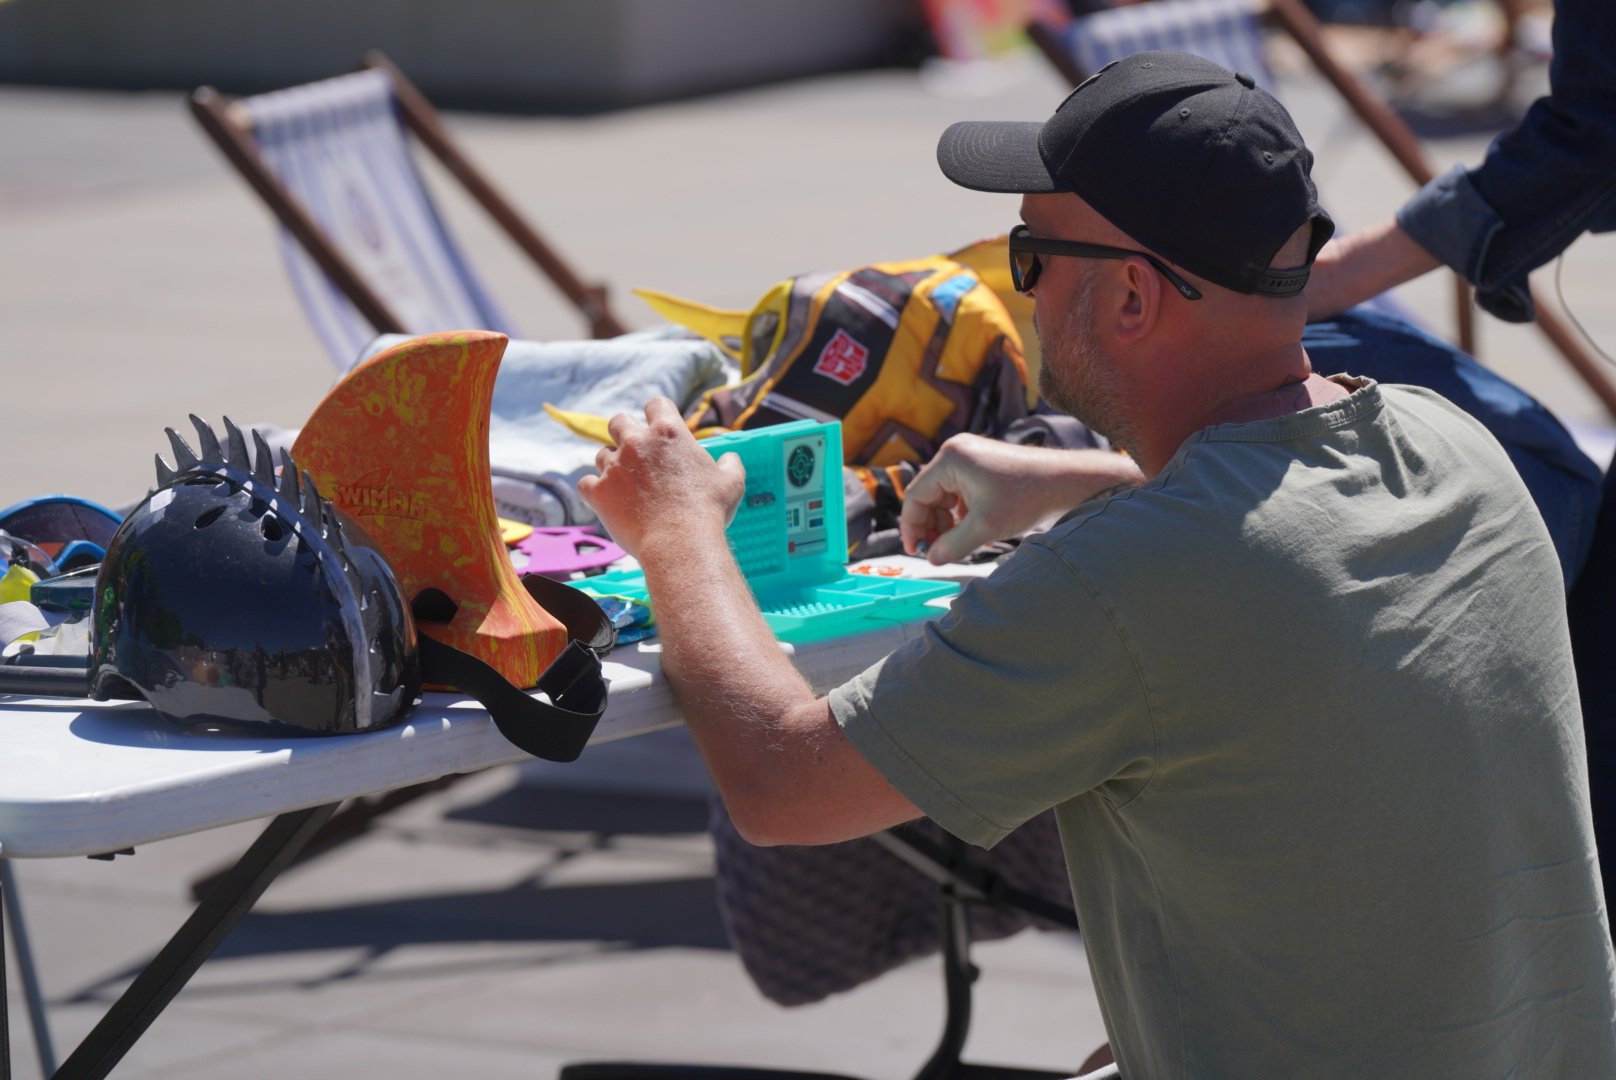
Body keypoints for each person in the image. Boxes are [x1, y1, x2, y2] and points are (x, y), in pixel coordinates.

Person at [581, 51, 1616, 1077]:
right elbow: (1285, 520)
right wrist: (1079, 477)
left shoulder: (1120, 585)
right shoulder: (1453, 444)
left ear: (1130, 297)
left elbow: (779, 785)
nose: (1019, 294)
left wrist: (679, 531)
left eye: (1028, 258)